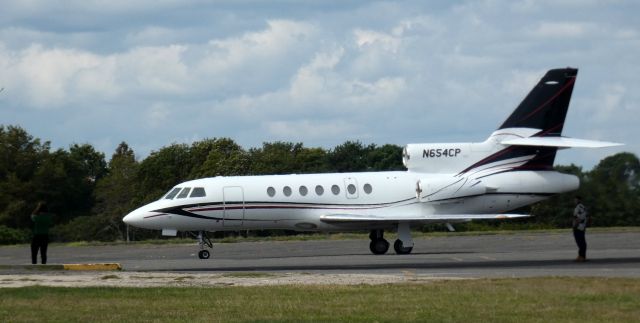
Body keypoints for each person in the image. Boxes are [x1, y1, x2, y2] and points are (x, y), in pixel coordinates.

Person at [572, 196, 588, 262]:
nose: (574, 201)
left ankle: (581, 256)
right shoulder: (583, 207)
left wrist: (575, 226)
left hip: (578, 227)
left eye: (575, 200)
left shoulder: (578, 207)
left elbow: (577, 218)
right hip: (582, 226)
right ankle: (581, 255)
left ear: (579, 200)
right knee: (582, 242)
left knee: (580, 242)